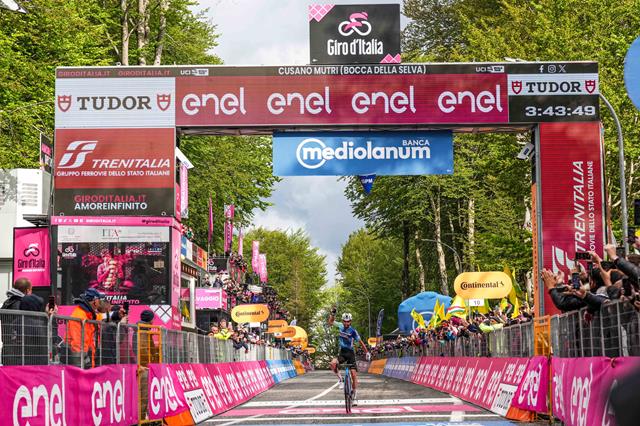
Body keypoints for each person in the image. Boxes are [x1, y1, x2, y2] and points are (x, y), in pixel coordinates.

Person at [328, 307, 371, 406]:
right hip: (342, 352)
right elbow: (330, 322)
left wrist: (367, 352)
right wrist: (333, 314)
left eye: (348, 322)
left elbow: (360, 342)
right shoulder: (340, 326)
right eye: (344, 321)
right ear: (342, 321)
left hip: (351, 353)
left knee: (353, 375)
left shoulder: (353, 331)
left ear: (350, 321)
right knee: (332, 363)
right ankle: (341, 380)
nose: (346, 323)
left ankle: (355, 397)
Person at [67, 288, 105, 368]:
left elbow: (100, 317)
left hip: (84, 360)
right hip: (79, 363)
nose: (100, 302)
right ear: (95, 301)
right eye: (99, 299)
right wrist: (85, 366)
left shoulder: (88, 314)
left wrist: (116, 314)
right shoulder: (79, 315)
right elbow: (78, 345)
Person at [1, 278, 32, 365]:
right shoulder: (21, 304)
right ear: (27, 290)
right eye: (31, 289)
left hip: (7, 347)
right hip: (19, 350)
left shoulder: (7, 302)